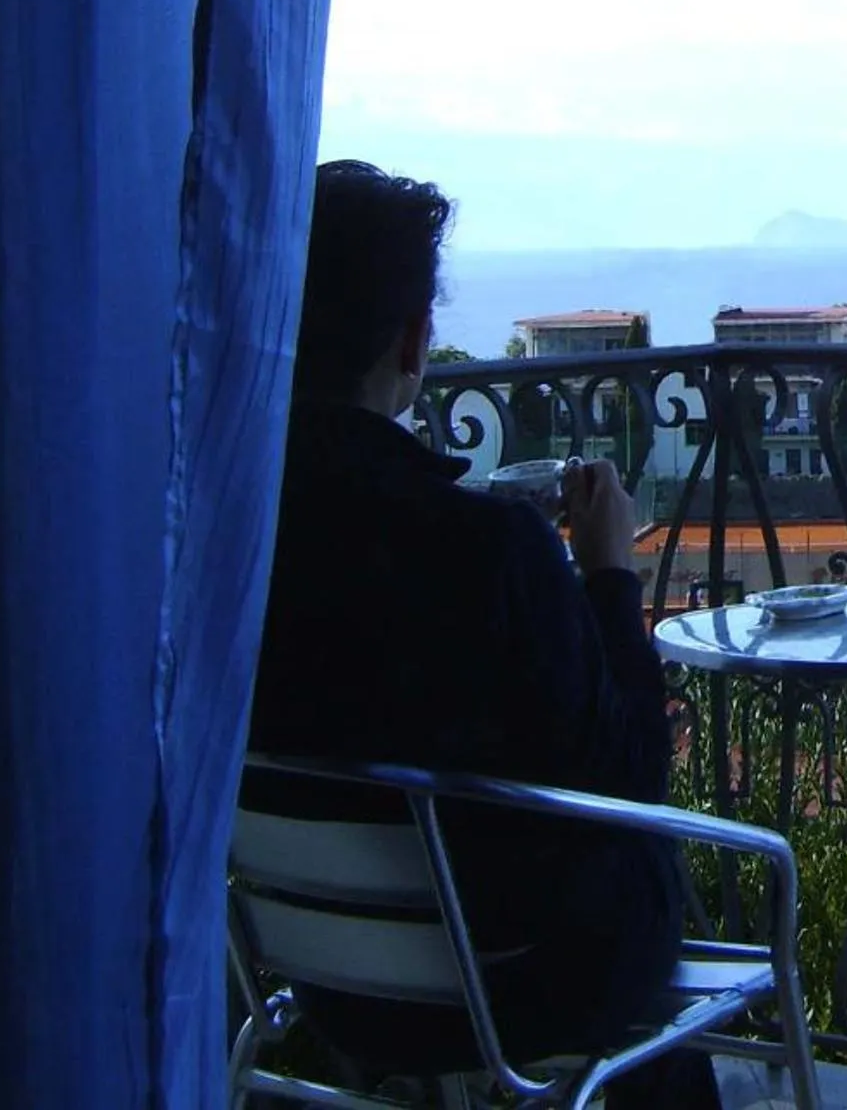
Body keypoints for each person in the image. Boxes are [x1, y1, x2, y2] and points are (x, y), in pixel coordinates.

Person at [246, 162, 711, 1104]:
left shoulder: (223, 537)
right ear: (413, 340)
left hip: (324, 983)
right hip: (521, 988)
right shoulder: (487, 549)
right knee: (646, 892)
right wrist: (607, 576)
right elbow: (630, 781)